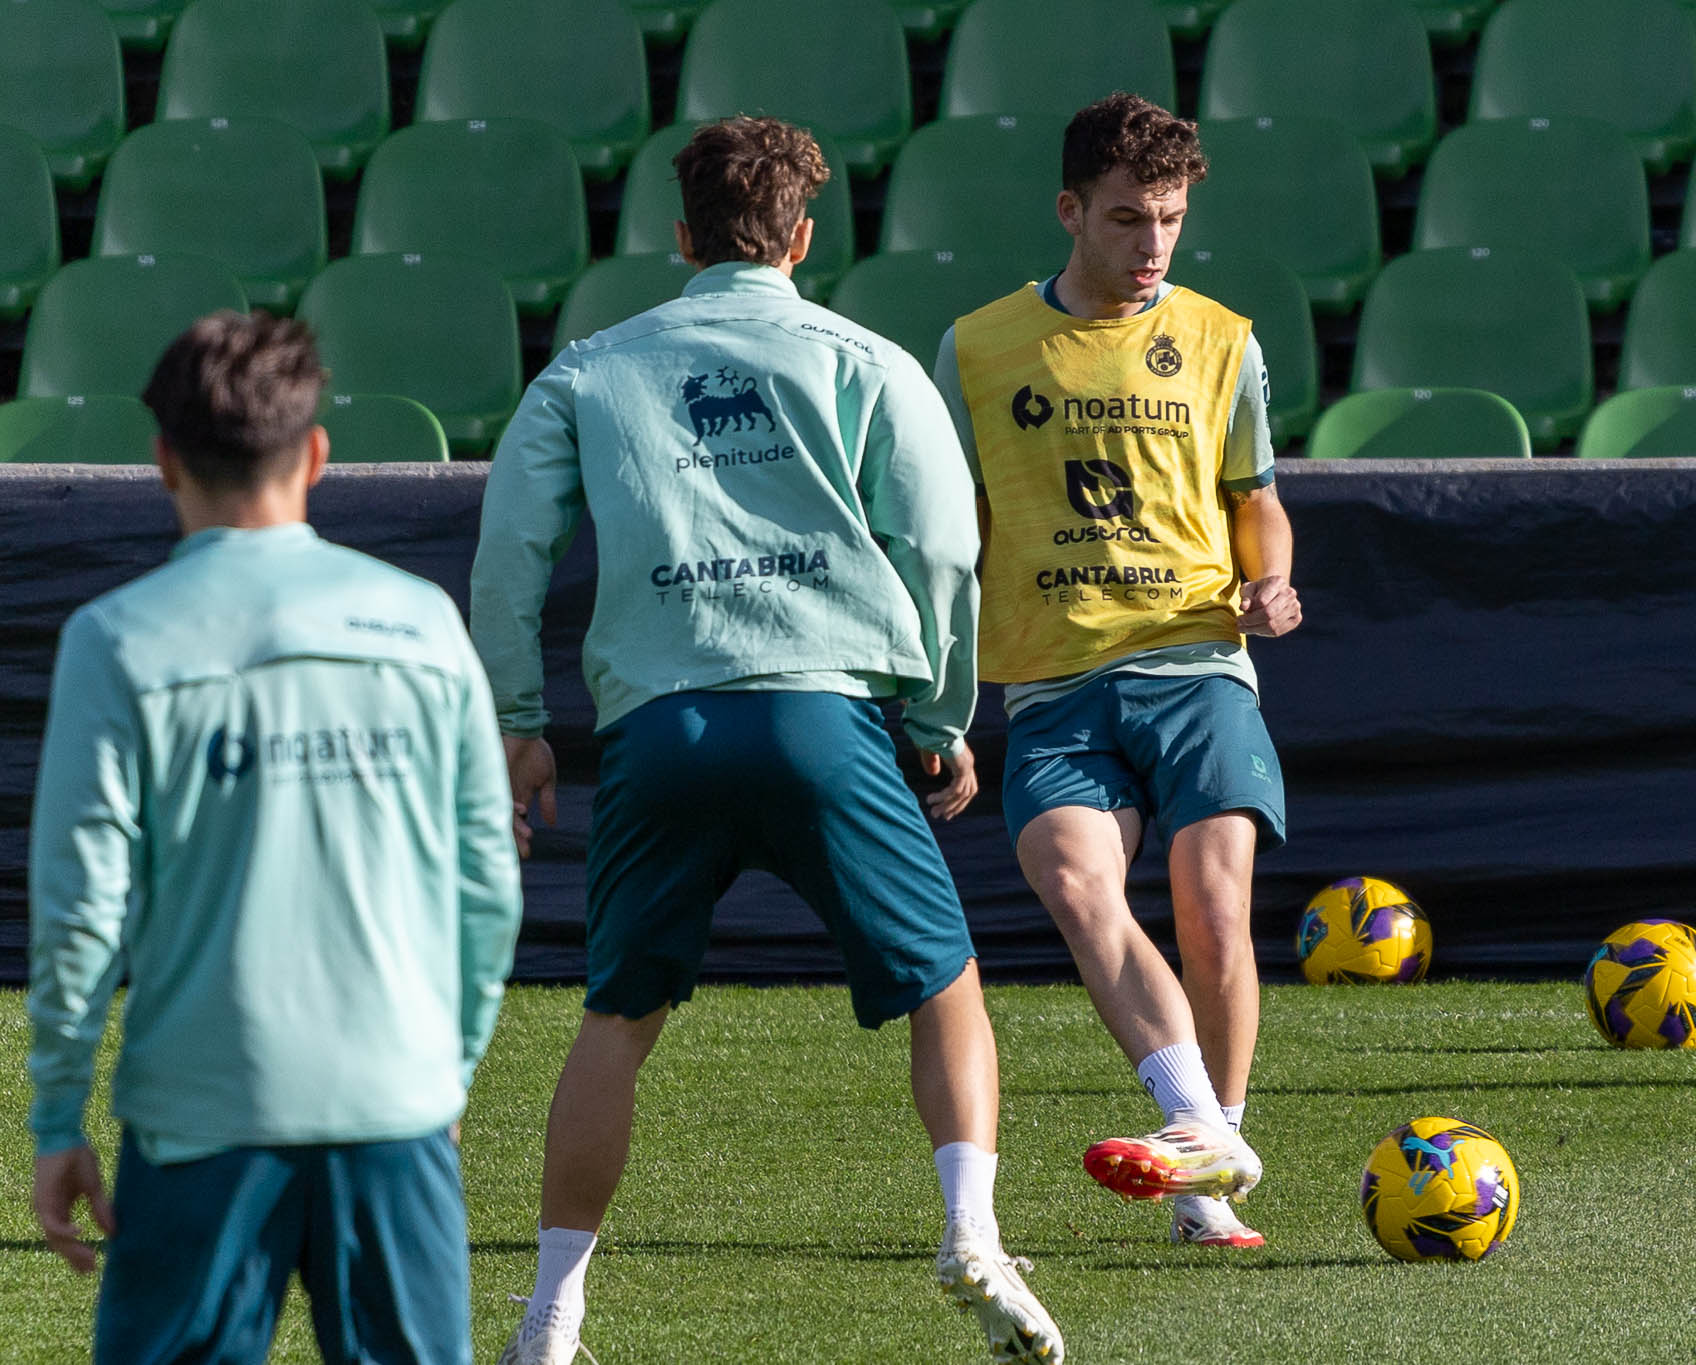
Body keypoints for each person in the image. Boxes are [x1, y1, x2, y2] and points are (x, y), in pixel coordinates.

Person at [469, 116, 1062, 1365]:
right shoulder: (870, 360)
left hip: (658, 724)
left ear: (679, 239)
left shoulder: (588, 366)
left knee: (617, 1017)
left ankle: (549, 1319)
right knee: (945, 988)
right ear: (801, 236)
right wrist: (940, 716)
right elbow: (947, 554)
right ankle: (971, 1238)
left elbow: (507, 559)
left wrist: (518, 723)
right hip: (821, 715)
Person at [27, 311, 525, 1363]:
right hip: (393, 1099)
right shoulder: (423, 620)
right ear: (315, 454)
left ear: (162, 459)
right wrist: (450, 1068)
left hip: (201, 1114)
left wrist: (58, 1117)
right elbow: (487, 882)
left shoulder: (113, 639)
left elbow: (80, 907)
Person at [934, 93, 1302, 1250]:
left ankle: (1204, 1167)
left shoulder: (1221, 338)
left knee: (1210, 907)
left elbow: (1255, 501)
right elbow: (947, 530)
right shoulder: (979, 347)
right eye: (1127, 219)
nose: (1151, 247)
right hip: (1049, 682)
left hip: (1195, 659)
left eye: (1170, 220)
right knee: (1076, 887)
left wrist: (1271, 581)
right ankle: (1202, 1133)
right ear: (1068, 211)